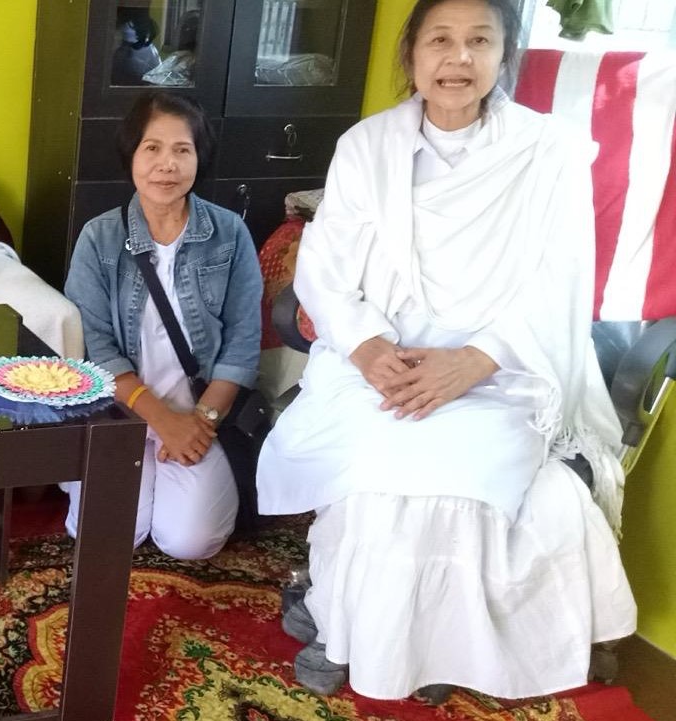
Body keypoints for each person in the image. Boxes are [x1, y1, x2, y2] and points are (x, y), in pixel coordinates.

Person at [257, 0, 636, 701]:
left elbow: (560, 280)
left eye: (479, 41)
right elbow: (326, 270)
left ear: (503, 55)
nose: (458, 59)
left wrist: (475, 360)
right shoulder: (366, 146)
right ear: (411, 54)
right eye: (440, 40)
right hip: (382, 365)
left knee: (457, 480)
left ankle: (423, 645)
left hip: (505, 368)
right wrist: (367, 348)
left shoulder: (548, 150)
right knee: (375, 471)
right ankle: (353, 628)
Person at [61, 92, 262, 559]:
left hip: (201, 412)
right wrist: (161, 421)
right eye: (152, 148)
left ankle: (175, 474)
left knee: (190, 542)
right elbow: (96, 348)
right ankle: (118, 472)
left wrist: (200, 423)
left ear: (198, 157)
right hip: (121, 412)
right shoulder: (99, 237)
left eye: (182, 150)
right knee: (109, 534)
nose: (166, 164)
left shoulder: (229, 233)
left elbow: (243, 342)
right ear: (131, 155)